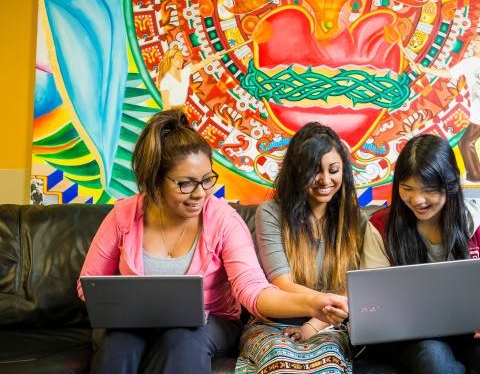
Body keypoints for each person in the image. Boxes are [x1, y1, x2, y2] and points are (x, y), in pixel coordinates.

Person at [77, 110, 348, 374]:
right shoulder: (124, 215)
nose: (201, 193)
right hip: (132, 324)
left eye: (207, 181)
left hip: (208, 324)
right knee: (118, 345)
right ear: (156, 181)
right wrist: (126, 305)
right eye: (186, 184)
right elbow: (88, 283)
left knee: (182, 338)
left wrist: (313, 303)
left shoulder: (223, 220)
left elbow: (254, 291)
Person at [363, 134, 480, 374]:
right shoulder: (381, 227)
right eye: (407, 188)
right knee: (434, 360)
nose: (417, 200)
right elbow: (373, 300)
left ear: (451, 185)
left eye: (429, 190)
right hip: (413, 336)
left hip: (475, 331)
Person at [236, 122, 379, 373]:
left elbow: (354, 289)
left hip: (330, 326)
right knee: (281, 362)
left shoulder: (356, 220)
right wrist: (320, 307)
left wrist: (313, 325)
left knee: (327, 366)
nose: (325, 180)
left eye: (333, 170)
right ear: (297, 171)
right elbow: (282, 283)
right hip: (274, 323)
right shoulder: (270, 213)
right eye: (315, 171)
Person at [418, 32, 480, 194]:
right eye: (473, 42)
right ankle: (475, 175)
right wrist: (425, 69)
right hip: (477, 116)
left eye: (477, 42)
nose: (474, 44)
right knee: (465, 143)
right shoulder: (468, 63)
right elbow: (448, 74)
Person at [156, 48, 222, 110]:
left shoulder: (183, 73)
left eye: (182, 58)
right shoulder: (166, 80)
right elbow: (166, 106)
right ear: (172, 60)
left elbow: (200, 65)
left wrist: (214, 57)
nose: (182, 60)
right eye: (179, 58)